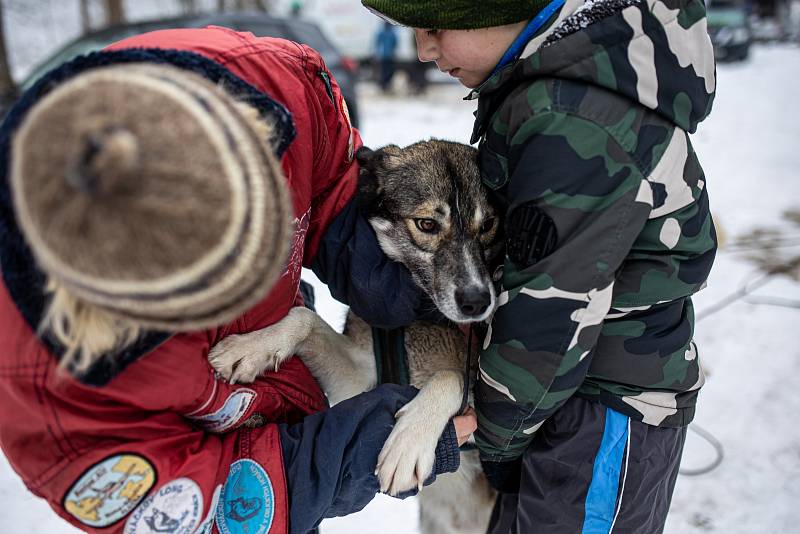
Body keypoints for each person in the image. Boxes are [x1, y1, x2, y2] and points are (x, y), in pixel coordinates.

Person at [0, 27, 475, 534]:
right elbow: (203, 511)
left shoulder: (281, 88)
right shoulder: (47, 390)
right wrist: (359, 447)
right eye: (216, 293)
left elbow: (336, 190)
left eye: (268, 247)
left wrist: (410, 291)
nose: (263, 285)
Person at [362, 1, 718, 532]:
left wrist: (494, 443)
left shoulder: (571, 119)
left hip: (603, 407)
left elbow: (551, 315)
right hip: (558, 400)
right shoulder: (551, 94)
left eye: (436, 26)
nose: (423, 50)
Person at [374, 21, 399, 92]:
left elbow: (377, 44)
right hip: (389, 56)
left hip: (383, 56)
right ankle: (386, 84)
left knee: (383, 71)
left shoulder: (381, 33)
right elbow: (395, 44)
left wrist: (377, 54)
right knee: (389, 71)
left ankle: (384, 85)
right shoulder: (392, 33)